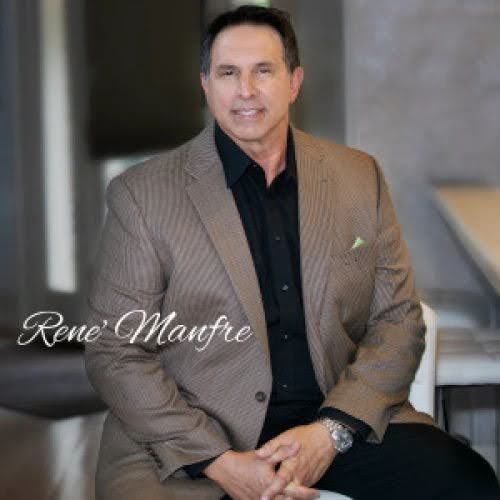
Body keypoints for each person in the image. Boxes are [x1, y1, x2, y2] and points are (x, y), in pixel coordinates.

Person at [84, 5, 500, 500]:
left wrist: (331, 431)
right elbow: (115, 350)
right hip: (193, 434)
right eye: (228, 73)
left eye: (264, 70)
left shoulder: (357, 176)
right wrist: (219, 461)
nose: (246, 91)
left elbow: (398, 320)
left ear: (294, 81)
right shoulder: (143, 194)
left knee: (468, 484)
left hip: (332, 420)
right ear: (205, 84)